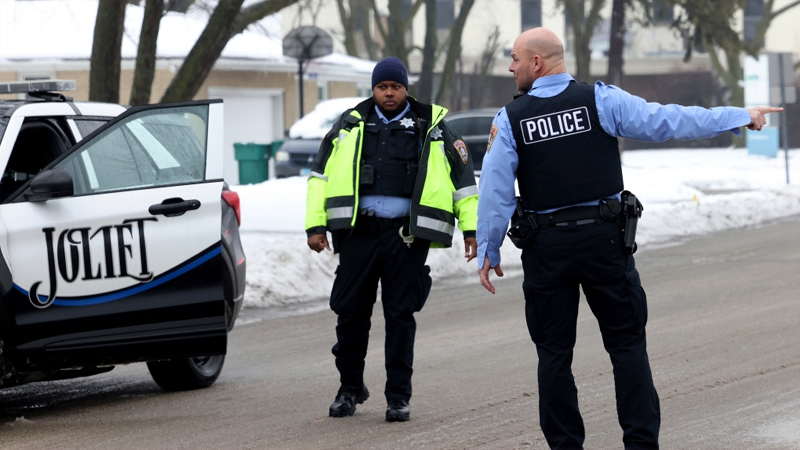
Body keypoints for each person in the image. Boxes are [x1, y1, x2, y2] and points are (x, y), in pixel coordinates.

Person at [476, 28, 782, 450]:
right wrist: (736, 115)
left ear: (537, 63)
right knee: (627, 347)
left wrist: (489, 248)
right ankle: (641, 445)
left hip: (548, 250)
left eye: (514, 58)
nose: (509, 67)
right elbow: (668, 119)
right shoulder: (602, 100)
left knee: (553, 354)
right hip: (605, 243)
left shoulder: (510, 119)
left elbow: (494, 191)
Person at [306, 57, 479, 422]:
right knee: (350, 314)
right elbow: (318, 177)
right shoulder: (350, 125)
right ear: (373, 89)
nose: (388, 93)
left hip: (406, 237)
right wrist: (315, 225)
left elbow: (464, 184)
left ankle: (398, 396)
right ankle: (349, 389)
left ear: (405, 89)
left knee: (400, 317)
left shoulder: (430, 127)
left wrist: (472, 230)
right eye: (382, 87)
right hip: (358, 235)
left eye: (395, 87)